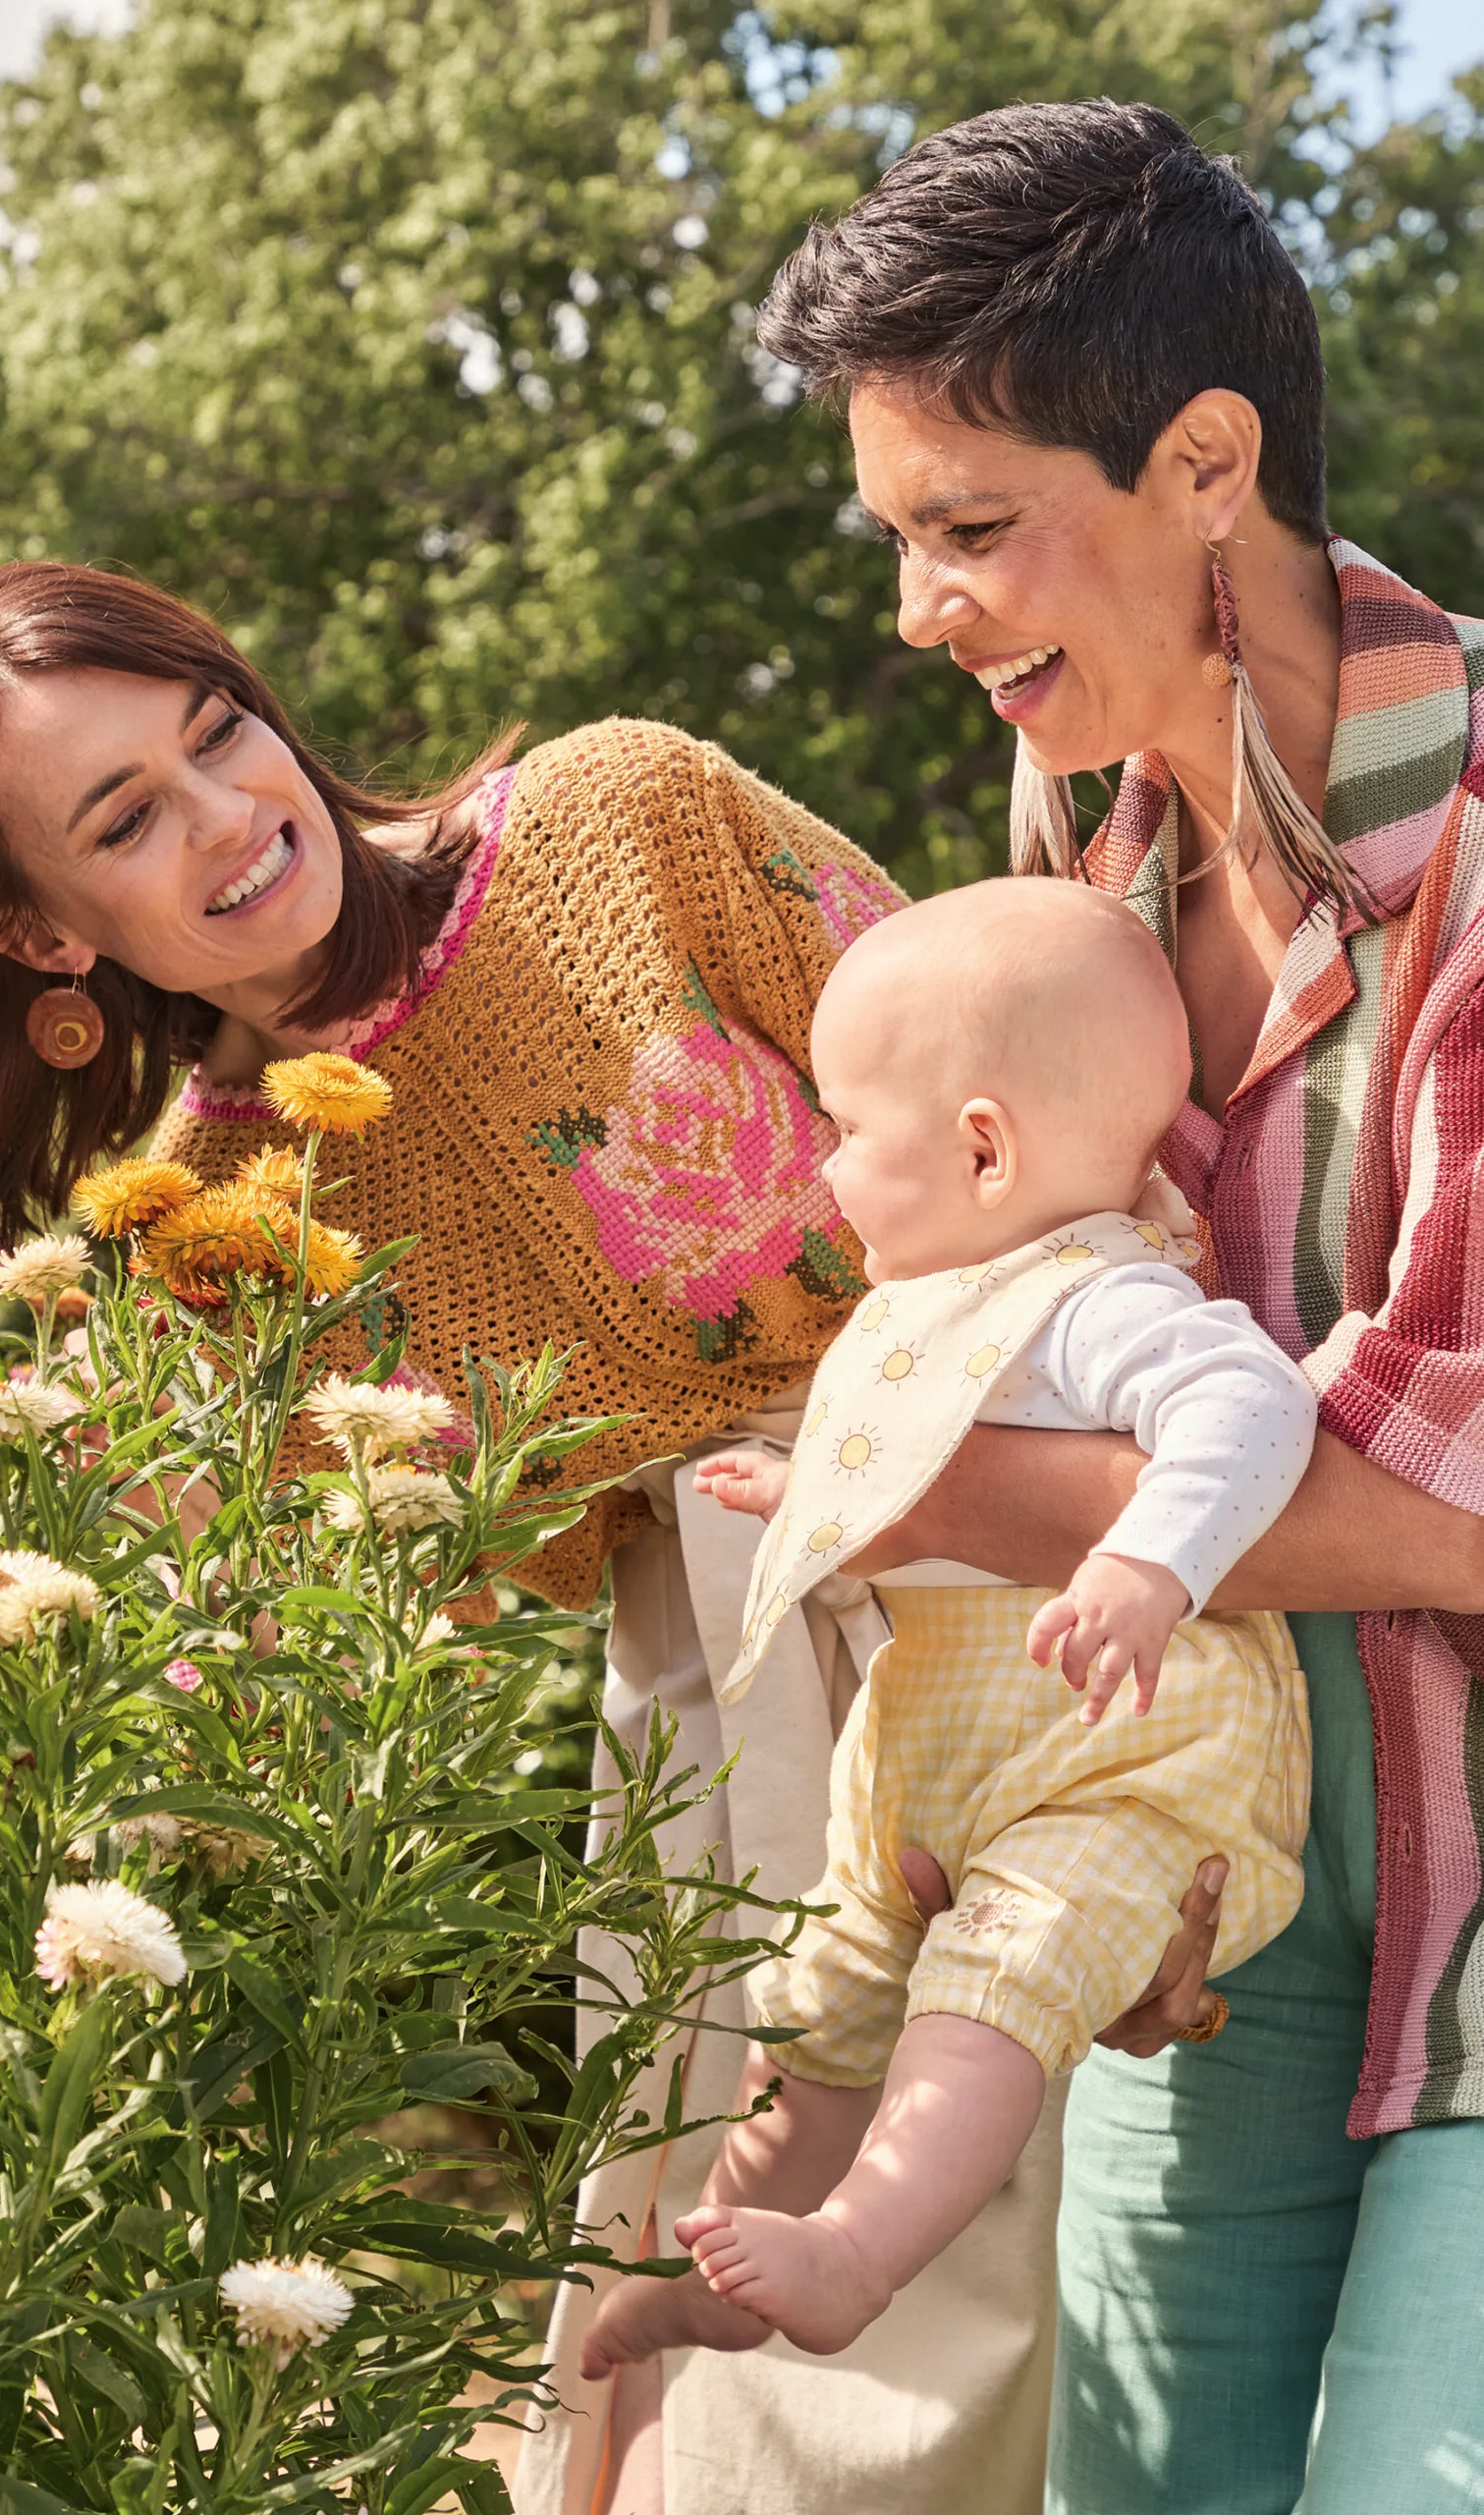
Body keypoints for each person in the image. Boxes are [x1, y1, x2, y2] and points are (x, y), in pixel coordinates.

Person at [0, 560, 1125, 2515]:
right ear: (34, 926)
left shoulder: (624, 815)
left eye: (215, 731)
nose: (230, 817)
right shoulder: (211, 1218)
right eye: (124, 822)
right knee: (753, 2336)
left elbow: (1052, 1098)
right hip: (722, 1718)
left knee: (1093, 2278)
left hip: (1046, 1553)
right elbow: (253, 1619)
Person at [756, 94, 1484, 2515]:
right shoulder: (1078, 843)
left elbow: (1459, 1503)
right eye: (896, 535)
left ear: (1201, 460)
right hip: (1228, 1864)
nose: (913, 606)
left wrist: (921, 1477)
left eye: (970, 529)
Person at [580, 879, 1313, 2374]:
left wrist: (1149, 1565)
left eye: (847, 1127)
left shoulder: (1091, 1294)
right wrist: (806, 1487)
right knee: (820, 2021)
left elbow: (1242, 1408)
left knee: (991, 1995)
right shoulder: (936, 1302)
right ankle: (730, 2266)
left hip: (1113, 1774)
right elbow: (920, 1472)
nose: (827, 1169)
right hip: (939, 1766)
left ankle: (856, 2256)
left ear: (981, 1146)